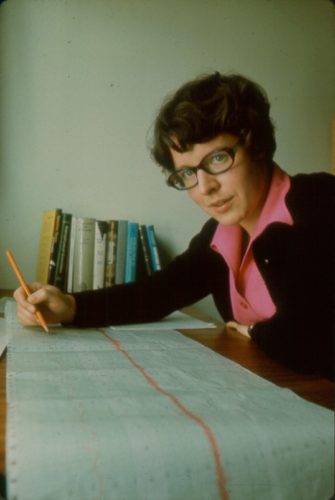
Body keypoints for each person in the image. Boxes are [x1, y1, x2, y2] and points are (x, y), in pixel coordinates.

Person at [13, 72, 334, 380]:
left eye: (218, 159)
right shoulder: (220, 235)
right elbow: (158, 293)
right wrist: (69, 306)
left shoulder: (320, 204)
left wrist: (254, 332)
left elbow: (313, 339)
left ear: (256, 145)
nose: (205, 188)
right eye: (188, 173)